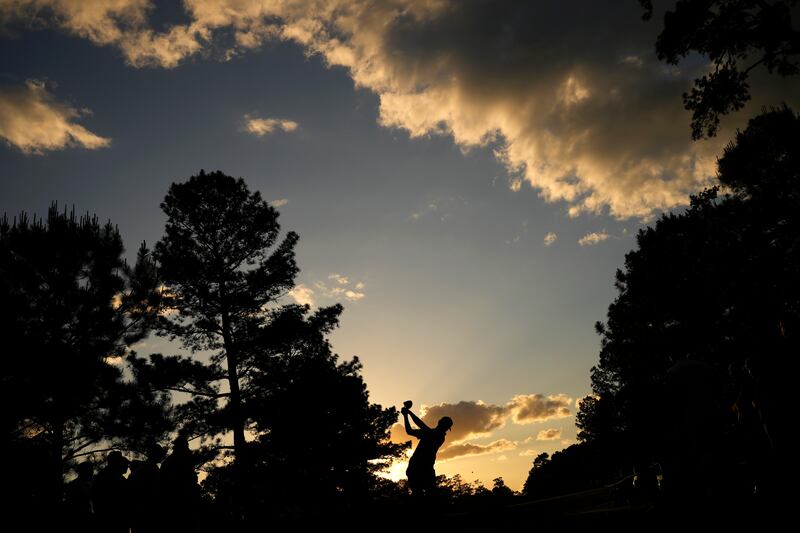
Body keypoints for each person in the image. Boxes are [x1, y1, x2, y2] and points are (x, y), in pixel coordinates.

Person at [401, 403, 453, 498]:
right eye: (445, 427)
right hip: (417, 467)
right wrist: (405, 416)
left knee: (429, 494)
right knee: (419, 493)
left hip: (424, 468)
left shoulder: (439, 436)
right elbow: (409, 431)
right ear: (441, 425)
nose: (445, 430)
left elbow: (421, 425)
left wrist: (409, 413)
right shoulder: (430, 432)